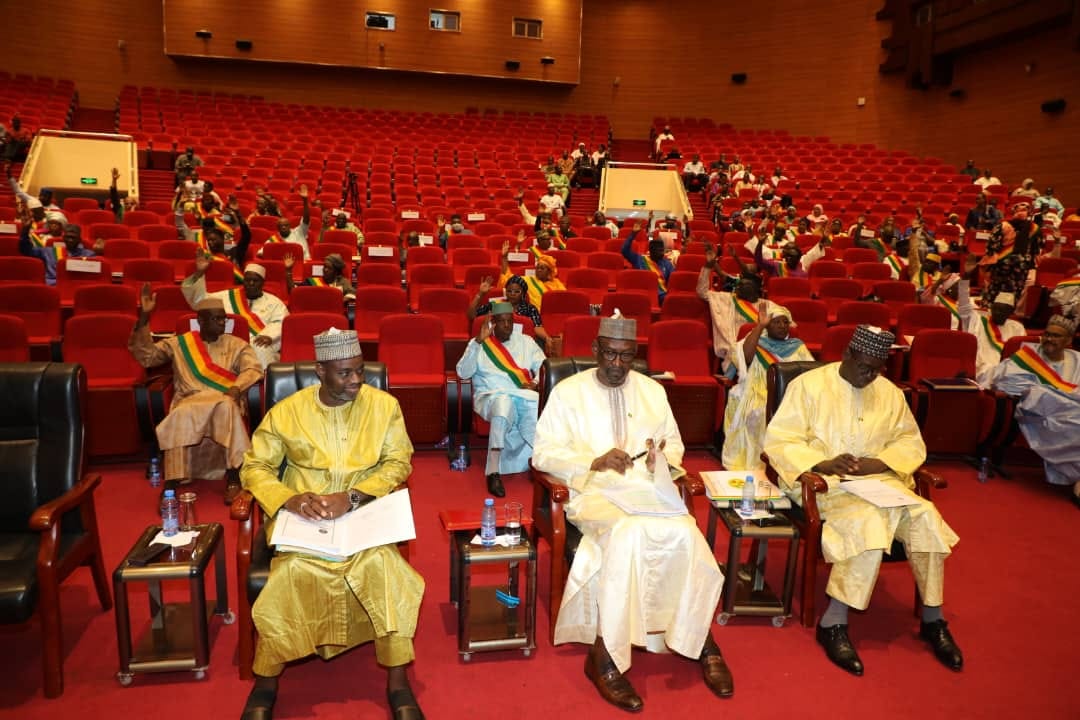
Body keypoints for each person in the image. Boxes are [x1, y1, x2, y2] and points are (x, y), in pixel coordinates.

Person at [532, 314, 733, 711]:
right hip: (592, 491)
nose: (617, 364)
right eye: (609, 354)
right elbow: (542, 454)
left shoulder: (653, 391)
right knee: (629, 533)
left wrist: (659, 459)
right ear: (595, 350)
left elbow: (674, 447)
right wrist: (593, 461)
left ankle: (699, 635)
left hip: (646, 489)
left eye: (626, 356)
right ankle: (604, 654)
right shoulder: (568, 392)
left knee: (686, 532)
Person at [240, 329, 424, 720]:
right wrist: (288, 499)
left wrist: (353, 497)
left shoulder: (384, 407)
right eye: (344, 373)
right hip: (304, 518)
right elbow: (255, 467)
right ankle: (267, 680)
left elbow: (398, 462)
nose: (356, 380)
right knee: (291, 573)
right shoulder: (288, 412)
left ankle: (398, 680)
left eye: (360, 370)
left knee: (386, 569)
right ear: (320, 371)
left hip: (363, 514)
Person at [763, 325, 963, 676]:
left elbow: (909, 441)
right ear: (847, 354)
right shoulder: (808, 386)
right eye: (864, 367)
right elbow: (780, 440)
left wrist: (880, 463)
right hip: (827, 485)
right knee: (867, 522)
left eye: (876, 370)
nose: (869, 376)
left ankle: (934, 619)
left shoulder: (889, 393)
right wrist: (824, 462)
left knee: (927, 518)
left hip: (880, 483)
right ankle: (834, 621)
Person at [129, 292, 262, 504]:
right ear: (201, 320)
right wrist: (144, 317)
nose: (222, 323)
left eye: (223, 319)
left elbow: (253, 369)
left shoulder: (237, 344)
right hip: (189, 400)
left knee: (227, 407)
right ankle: (171, 484)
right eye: (216, 319)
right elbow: (147, 357)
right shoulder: (179, 344)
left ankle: (233, 478)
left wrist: (237, 388)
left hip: (223, 398)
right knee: (181, 413)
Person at [456, 301, 546, 497]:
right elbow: (463, 373)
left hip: (522, 394)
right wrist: (477, 342)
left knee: (535, 404)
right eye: (502, 321)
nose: (507, 326)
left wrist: (535, 382)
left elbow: (544, 366)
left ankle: (539, 462)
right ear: (493, 323)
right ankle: (493, 471)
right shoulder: (479, 344)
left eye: (510, 321)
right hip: (490, 396)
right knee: (503, 404)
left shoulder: (526, 342)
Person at [989, 314, 1080, 505]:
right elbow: (1004, 381)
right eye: (1047, 334)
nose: (1049, 339)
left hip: (1073, 409)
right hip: (1038, 413)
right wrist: (1048, 394)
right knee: (1067, 423)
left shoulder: (1077, 359)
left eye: (1056, 336)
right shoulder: (1026, 357)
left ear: (1068, 341)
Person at [722, 304, 814, 470]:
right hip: (759, 389)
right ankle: (762, 463)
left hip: (790, 393)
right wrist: (760, 326)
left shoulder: (797, 346)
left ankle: (791, 464)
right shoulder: (756, 341)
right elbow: (746, 357)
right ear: (767, 326)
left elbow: (810, 373)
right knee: (760, 412)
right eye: (776, 322)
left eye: (785, 322)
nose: (781, 326)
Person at [182, 259, 288, 369]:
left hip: (258, 343)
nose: (251, 283)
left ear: (263, 282)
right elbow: (200, 301)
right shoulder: (227, 296)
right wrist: (199, 273)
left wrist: (269, 336)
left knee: (261, 347)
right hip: (230, 342)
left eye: (255, 281)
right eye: (247, 280)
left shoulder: (274, 302)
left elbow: (280, 322)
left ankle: (264, 379)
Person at [697, 244, 785, 372]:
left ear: (757, 290)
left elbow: (788, 321)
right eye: (740, 285)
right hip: (734, 350)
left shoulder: (767, 305)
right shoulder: (725, 298)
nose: (741, 287)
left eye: (747, 285)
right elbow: (702, 291)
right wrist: (708, 267)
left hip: (763, 350)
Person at [955, 278, 1025, 386]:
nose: (997, 313)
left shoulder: (1017, 327)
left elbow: (1022, 353)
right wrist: (965, 279)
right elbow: (963, 306)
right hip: (983, 369)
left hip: (1009, 369)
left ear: (1010, 312)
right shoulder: (978, 320)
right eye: (995, 309)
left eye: (1002, 310)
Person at [467, 273, 551, 348]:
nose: (512, 294)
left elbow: (537, 326)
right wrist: (480, 293)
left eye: (517, 291)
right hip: (497, 343)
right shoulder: (497, 304)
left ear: (523, 294)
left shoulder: (530, 308)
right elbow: (472, 315)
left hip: (521, 345)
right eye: (509, 291)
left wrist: (547, 338)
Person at [18, 213, 103, 285]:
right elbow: (26, 250)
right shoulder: (49, 251)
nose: (70, 240)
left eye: (73, 237)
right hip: (53, 286)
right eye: (68, 237)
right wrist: (25, 230)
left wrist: (100, 253)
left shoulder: (88, 255)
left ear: (80, 240)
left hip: (75, 286)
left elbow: (94, 274)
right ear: (63, 238)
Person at [622, 220, 674, 305]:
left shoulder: (667, 263)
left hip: (660, 296)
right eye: (658, 250)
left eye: (662, 250)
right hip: (642, 294)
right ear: (651, 251)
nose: (661, 253)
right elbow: (624, 251)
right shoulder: (640, 259)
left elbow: (672, 282)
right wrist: (633, 234)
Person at [260, 184, 312, 259]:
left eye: (286, 225)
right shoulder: (274, 239)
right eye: (281, 226)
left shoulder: (299, 232)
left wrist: (305, 200)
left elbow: (306, 219)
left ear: (290, 226)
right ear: (277, 228)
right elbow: (260, 252)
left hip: (304, 261)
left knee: (318, 267)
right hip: (285, 264)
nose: (284, 227)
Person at [283, 253, 354, 299]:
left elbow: (352, 294)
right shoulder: (313, 281)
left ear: (336, 271)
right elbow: (293, 291)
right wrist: (288, 271)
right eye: (324, 266)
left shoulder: (343, 282)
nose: (325, 270)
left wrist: (340, 301)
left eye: (329, 268)